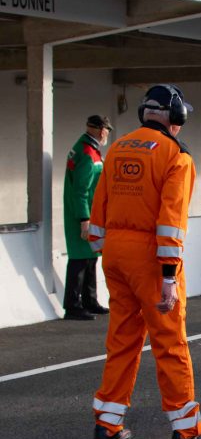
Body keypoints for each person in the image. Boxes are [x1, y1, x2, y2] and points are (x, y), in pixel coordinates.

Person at [88, 84, 201, 439]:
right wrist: (168, 276)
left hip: (114, 256)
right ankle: (187, 430)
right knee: (169, 342)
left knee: (122, 339)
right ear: (174, 117)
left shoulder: (116, 149)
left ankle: (108, 423)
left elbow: (97, 214)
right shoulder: (175, 156)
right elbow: (171, 223)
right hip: (151, 259)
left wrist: (108, 253)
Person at [63, 115, 113, 321]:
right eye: (107, 131)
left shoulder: (90, 150)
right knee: (79, 259)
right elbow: (81, 190)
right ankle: (73, 305)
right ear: (102, 131)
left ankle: (90, 301)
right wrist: (84, 219)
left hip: (91, 212)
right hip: (82, 213)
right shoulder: (86, 153)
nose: (107, 135)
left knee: (91, 257)